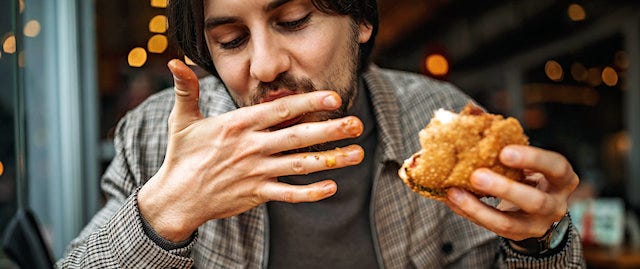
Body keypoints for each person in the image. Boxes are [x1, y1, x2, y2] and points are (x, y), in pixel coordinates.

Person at [57, 0, 585, 268]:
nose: (263, 66)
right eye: (231, 39)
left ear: (359, 20)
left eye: (293, 20)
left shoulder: (444, 118)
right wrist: (160, 218)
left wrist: (545, 243)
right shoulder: (155, 137)